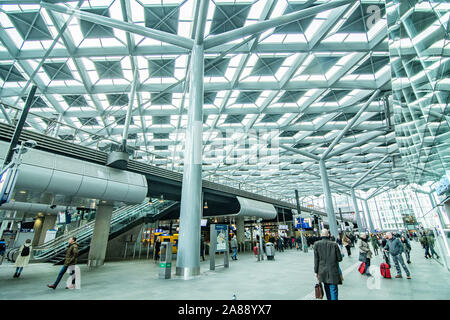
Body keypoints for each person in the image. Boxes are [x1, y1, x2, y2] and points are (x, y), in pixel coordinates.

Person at [313, 229, 342, 300]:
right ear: (328, 235)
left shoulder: (316, 244)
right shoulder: (334, 244)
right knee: (333, 289)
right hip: (333, 270)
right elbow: (339, 259)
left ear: (321, 235)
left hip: (322, 271)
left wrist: (316, 271)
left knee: (327, 289)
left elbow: (316, 260)